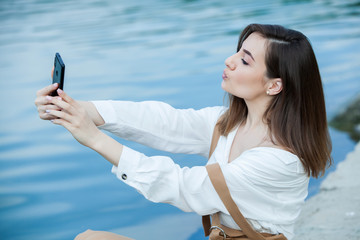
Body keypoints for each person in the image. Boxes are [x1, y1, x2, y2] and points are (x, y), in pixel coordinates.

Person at [35, 24, 332, 240]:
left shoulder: (280, 160)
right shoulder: (229, 123)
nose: (229, 60)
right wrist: (77, 109)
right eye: (237, 52)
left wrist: (94, 139)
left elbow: (183, 186)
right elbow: (162, 122)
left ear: (274, 85)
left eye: (244, 60)